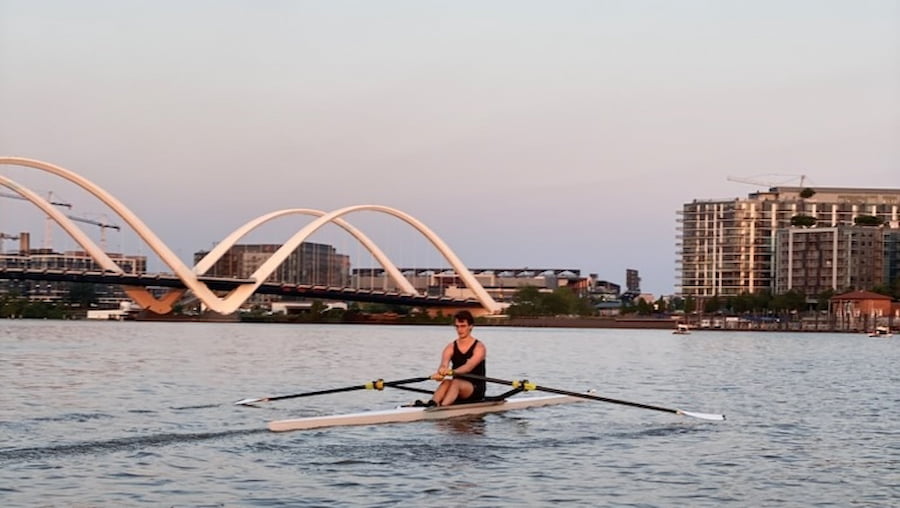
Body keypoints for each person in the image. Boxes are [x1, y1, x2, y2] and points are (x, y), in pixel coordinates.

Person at [419, 310, 487, 407]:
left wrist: (452, 372)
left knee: (455, 382)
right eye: (457, 326)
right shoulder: (450, 347)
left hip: (475, 388)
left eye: (463, 326)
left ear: (471, 326)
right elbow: (444, 364)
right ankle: (433, 403)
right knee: (446, 382)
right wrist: (441, 372)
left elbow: (468, 367)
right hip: (456, 388)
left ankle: (442, 408)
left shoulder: (479, 347)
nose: (460, 330)